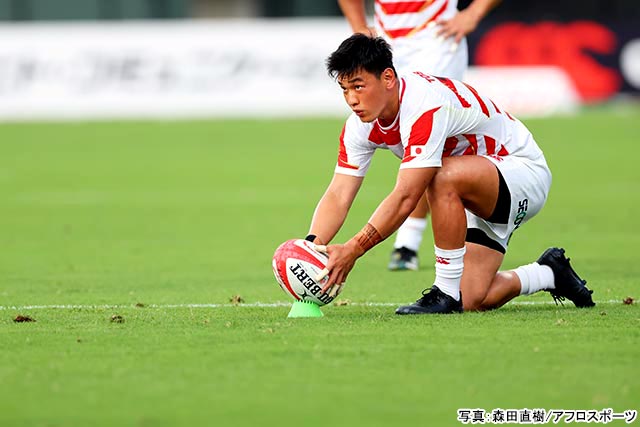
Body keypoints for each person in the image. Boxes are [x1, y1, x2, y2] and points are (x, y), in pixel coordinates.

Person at [305, 34, 595, 313]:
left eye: (358, 86)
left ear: (388, 78)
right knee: (473, 298)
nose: (352, 99)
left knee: (440, 176)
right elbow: (339, 194)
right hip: (473, 187)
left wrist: (353, 249)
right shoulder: (359, 125)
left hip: (521, 172)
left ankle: (444, 292)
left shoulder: (422, 105)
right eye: (345, 89)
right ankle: (548, 273)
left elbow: (407, 195)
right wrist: (309, 250)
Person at [338, 0, 502, 271]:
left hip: (437, 38)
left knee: (426, 138)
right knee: (410, 140)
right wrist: (358, 28)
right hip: (385, 42)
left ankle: (410, 242)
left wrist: (475, 11)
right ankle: (416, 241)